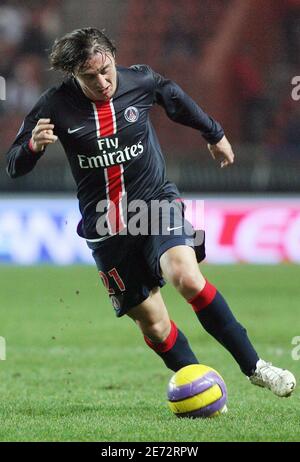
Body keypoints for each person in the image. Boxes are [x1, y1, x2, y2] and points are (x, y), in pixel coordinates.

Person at [6, 28, 296, 398]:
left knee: (186, 278)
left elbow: (174, 97)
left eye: (106, 70)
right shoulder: (53, 106)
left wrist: (215, 134)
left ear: (113, 56)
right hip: (106, 227)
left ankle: (257, 367)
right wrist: (32, 146)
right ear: (73, 74)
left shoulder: (140, 80)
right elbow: (15, 165)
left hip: (155, 204)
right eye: (90, 76)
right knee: (156, 326)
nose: (103, 81)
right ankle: (203, 389)